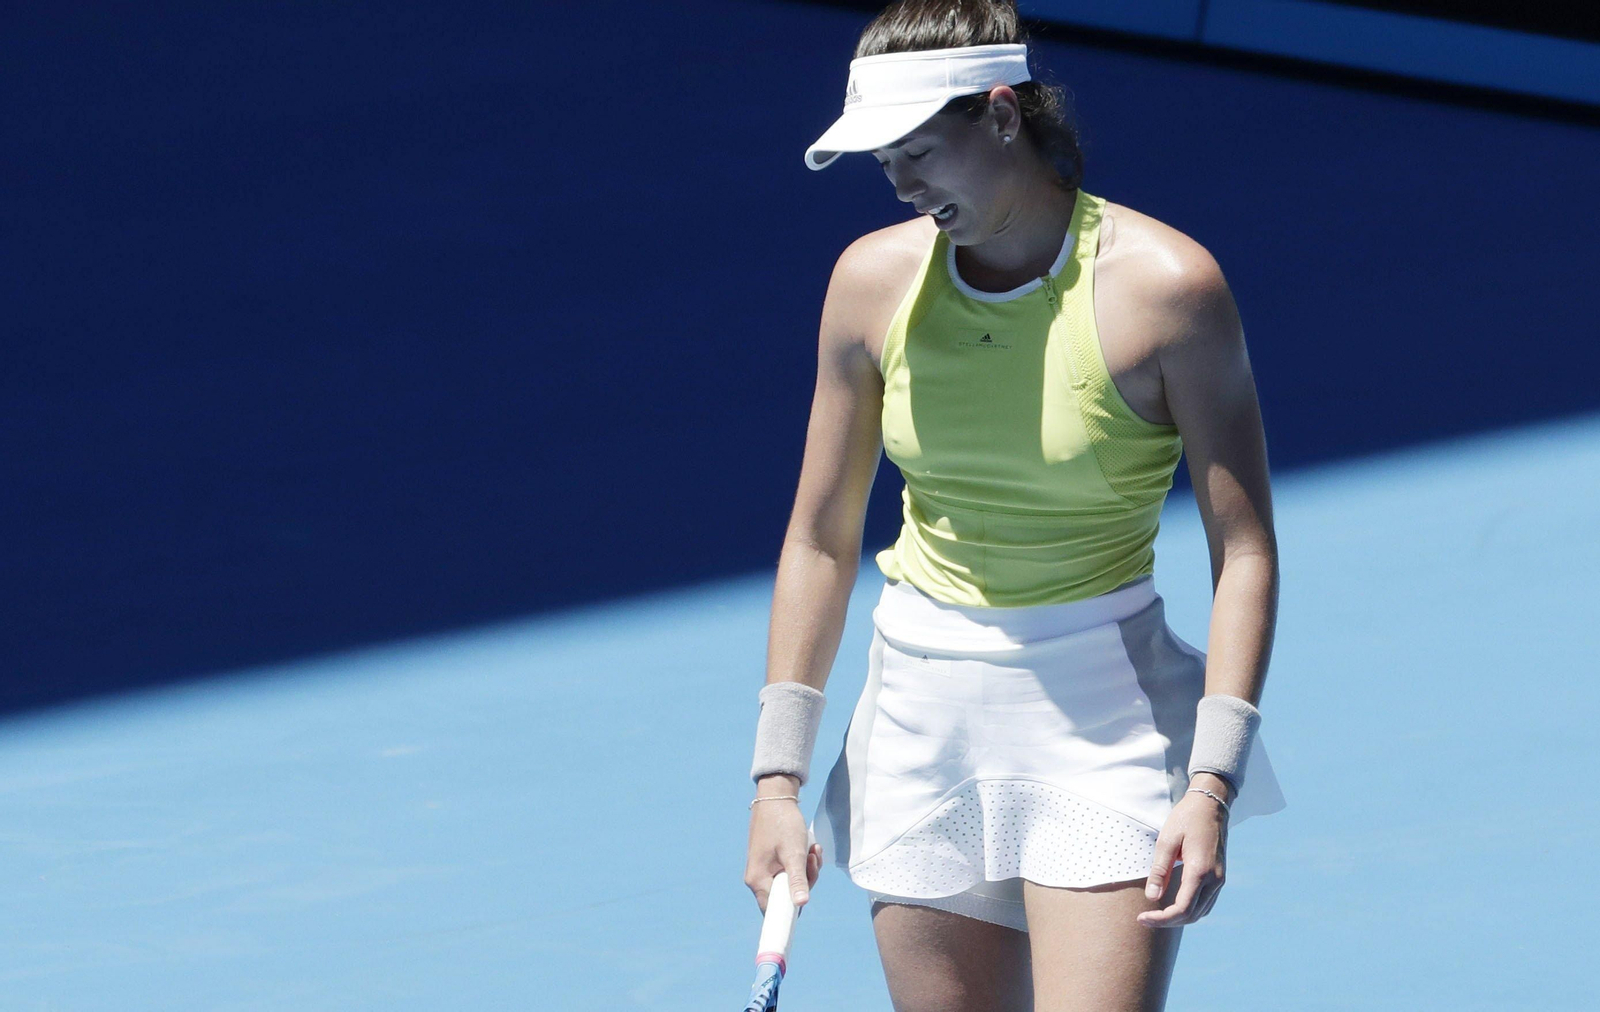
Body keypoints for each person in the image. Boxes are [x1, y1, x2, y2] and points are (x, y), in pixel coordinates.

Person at [745, 2, 1287, 1008]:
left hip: (1103, 712)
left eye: (919, 150)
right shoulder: (869, 283)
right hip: (919, 716)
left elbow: (1243, 551)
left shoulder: (1166, 288)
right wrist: (776, 781)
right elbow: (819, 539)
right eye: (883, 164)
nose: (903, 184)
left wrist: (1211, 783)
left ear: (1001, 116)